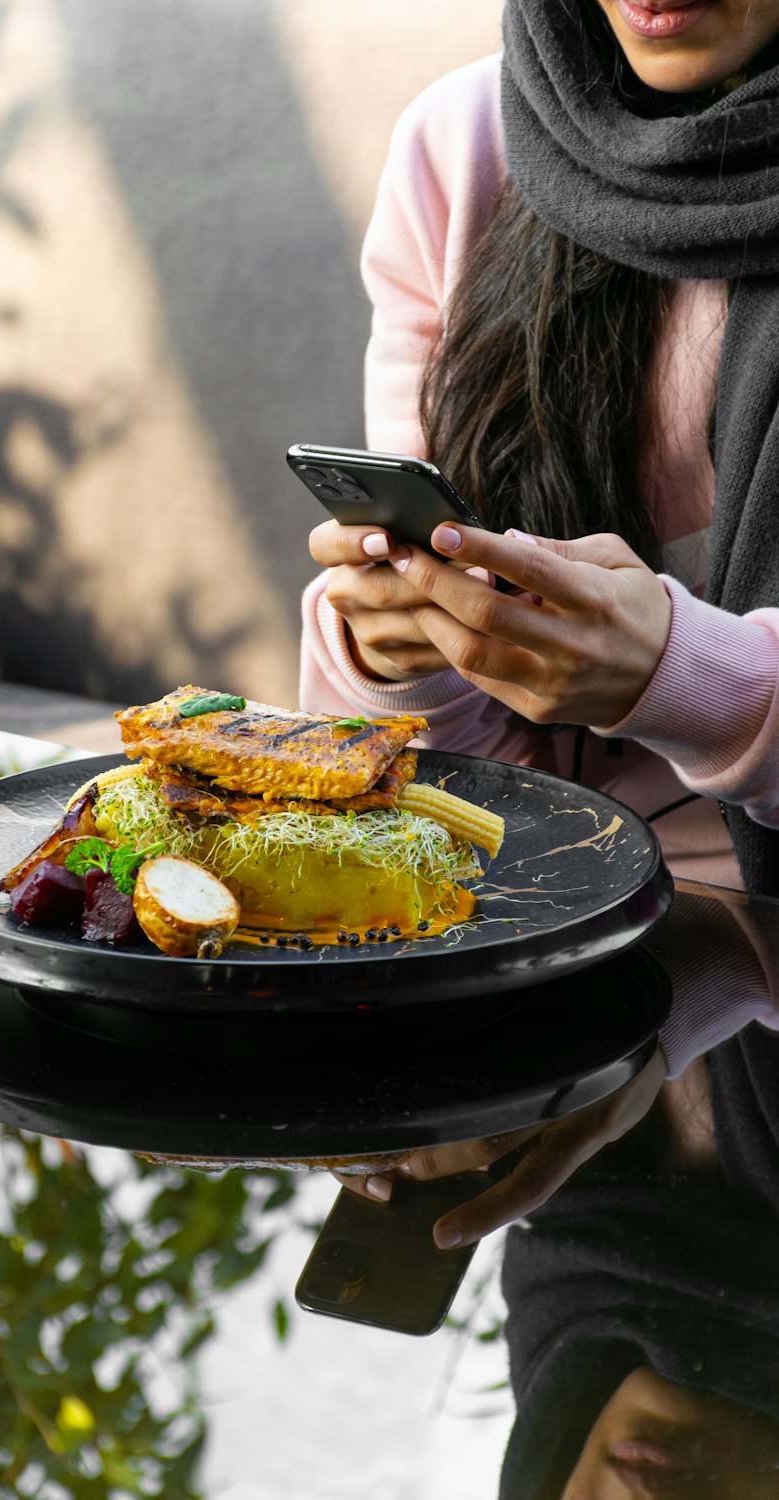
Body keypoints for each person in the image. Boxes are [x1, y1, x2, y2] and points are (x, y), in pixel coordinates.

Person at [301, 0, 779, 1238]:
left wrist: (679, 675)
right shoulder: (465, 150)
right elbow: (445, 789)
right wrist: (397, 653)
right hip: (536, 946)